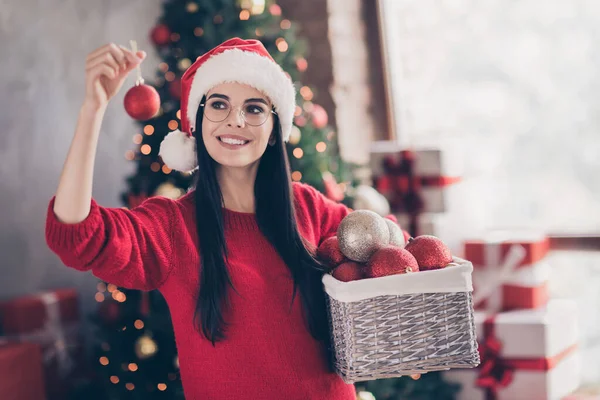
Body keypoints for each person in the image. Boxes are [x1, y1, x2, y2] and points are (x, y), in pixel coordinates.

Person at [45, 38, 400, 399]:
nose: (236, 120)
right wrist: (93, 109)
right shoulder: (171, 227)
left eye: (255, 108)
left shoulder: (310, 208)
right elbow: (78, 235)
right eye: (218, 104)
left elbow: (391, 251)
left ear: (275, 129)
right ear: (196, 124)